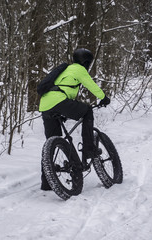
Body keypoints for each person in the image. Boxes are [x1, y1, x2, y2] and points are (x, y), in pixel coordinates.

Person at [39, 48, 110, 190]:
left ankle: (47, 183)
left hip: (45, 105)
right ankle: (89, 148)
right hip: (58, 101)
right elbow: (91, 85)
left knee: (52, 142)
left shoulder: (65, 71)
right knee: (87, 111)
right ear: (87, 62)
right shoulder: (78, 69)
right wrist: (103, 98)